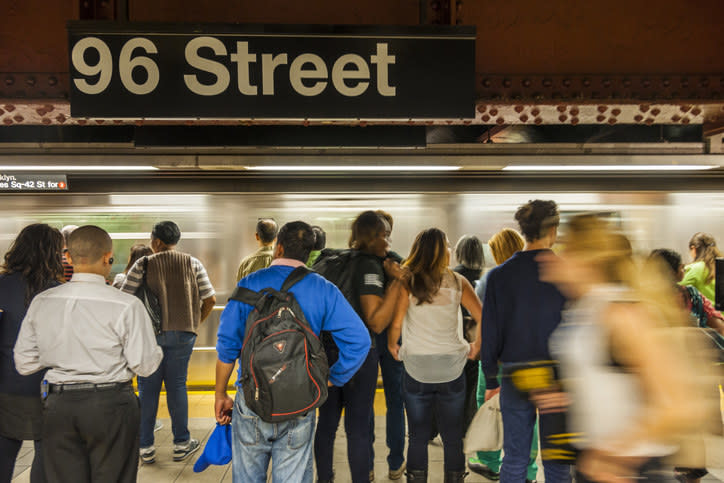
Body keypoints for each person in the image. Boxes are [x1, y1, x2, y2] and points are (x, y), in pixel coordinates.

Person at [538, 215, 713, 482]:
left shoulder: (622, 314)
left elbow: (680, 405)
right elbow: (609, 374)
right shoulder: (585, 308)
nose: (552, 259)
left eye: (567, 250)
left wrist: (618, 455)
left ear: (589, 260)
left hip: (630, 467)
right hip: (598, 460)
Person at [214, 221, 371, 483]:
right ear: (309, 253)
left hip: (252, 398)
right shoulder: (322, 288)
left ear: (279, 247)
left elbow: (226, 346)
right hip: (300, 400)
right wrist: (334, 378)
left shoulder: (249, 283)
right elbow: (360, 340)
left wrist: (220, 393)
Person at [14, 225, 162, 482]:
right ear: (108, 258)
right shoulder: (126, 305)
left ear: (68, 258)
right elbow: (146, 366)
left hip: (58, 406)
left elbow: (24, 363)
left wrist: (58, 356)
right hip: (112, 405)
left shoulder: (42, 301)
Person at [480, 200, 571, 483]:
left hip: (516, 372)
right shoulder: (566, 273)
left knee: (516, 457)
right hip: (556, 376)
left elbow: (490, 333)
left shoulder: (498, 276)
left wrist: (491, 381)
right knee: (557, 461)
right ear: (552, 229)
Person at [386, 228, 482, 483]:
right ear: (441, 252)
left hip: (417, 367)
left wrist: (392, 346)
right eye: (448, 245)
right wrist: (477, 346)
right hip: (452, 368)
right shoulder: (458, 282)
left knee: (417, 435)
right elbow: (483, 316)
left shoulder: (408, 283)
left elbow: (396, 324)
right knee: (452, 435)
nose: (450, 249)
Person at [314, 211, 402, 483]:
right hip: (357, 356)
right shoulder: (369, 266)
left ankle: (325, 478)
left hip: (324, 353)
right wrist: (397, 281)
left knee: (326, 424)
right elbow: (375, 321)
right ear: (373, 237)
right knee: (358, 428)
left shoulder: (331, 259)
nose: (388, 243)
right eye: (385, 236)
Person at [121, 220, 217, 464]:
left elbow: (124, 299)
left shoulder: (143, 264)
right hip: (183, 334)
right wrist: (195, 324)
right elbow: (210, 299)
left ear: (156, 242)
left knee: (147, 388)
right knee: (177, 386)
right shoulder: (193, 263)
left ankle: (145, 447)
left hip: (150, 335)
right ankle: (181, 443)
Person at [469, 228, 539, 482]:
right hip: (530, 356)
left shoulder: (493, 278)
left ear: (498, 252)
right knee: (528, 411)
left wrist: (480, 352)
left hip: (498, 356)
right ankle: (529, 468)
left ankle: (488, 460)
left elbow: (483, 321)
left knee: (488, 404)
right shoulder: (535, 277)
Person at [0, 224, 64, 483]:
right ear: (52, 254)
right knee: (47, 458)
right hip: (50, 388)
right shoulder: (60, 292)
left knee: (3, 455)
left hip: (5, 385)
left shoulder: (2, 285)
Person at [368, 209, 406, 481]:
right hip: (394, 339)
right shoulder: (398, 264)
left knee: (365, 402)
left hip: (369, 341)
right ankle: (395, 463)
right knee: (396, 401)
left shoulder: (359, 263)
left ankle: (367, 463)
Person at [452, 235, 484, 433]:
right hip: (477, 338)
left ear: (459, 253)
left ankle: (434, 427)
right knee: (472, 387)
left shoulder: (453, 276)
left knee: (452, 385)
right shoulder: (486, 276)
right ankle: (466, 427)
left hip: (455, 338)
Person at [681, 232, 721, 304]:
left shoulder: (694, 269)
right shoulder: (721, 265)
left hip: (708, 314)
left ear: (693, 249)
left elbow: (678, 291)